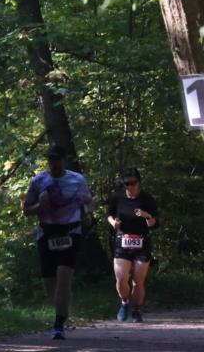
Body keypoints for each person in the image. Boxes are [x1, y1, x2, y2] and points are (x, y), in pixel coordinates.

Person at [22, 144, 93, 340]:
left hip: (71, 232)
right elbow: (26, 210)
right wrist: (39, 205)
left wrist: (87, 214)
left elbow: (88, 201)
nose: (54, 164)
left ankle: (58, 324)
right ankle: (63, 306)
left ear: (63, 160)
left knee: (63, 279)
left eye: (58, 160)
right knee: (50, 287)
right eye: (51, 160)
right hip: (47, 233)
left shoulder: (77, 180)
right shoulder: (38, 181)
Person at [106, 168, 159, 323]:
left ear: (139, 183)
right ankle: (124, 302)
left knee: (138, 281)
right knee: (121, 278)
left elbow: (154, 223)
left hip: (142, 243)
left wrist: (146, 215)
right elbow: (109, 214)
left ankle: (136, 310)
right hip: (122, 241)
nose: (129, 187)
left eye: (132, 183)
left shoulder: (147, 199)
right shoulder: (117, 198)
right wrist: (113, 223)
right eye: (126, 184)